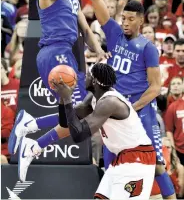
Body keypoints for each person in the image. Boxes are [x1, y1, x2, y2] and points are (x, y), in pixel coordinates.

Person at [8, 0, 106, 157]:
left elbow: (85, 29)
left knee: (72, 115)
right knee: (81, 107)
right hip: (55, 52)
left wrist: (100, 50)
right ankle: (30, 129)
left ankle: (30, 127)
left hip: (64, 53)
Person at [90, 0, 176, 199]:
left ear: (140, 20)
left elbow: (156, 88)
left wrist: (133, 108)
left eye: (129, 19)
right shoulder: (114, 33)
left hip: (140, 111)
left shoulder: (148, 47)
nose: (124, 22)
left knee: (159, 167)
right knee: (112, 163)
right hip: (114, 108)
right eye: (122, 18)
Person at [18, 63, 156, 199]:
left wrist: (67, 99)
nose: (85, 78)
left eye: (89, 75)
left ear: (95, 81)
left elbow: (79, 135)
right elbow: (65, 122)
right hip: (122, 157)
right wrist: (62, 98)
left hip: (138, 158)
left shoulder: (109, 102)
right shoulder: (94, 98)